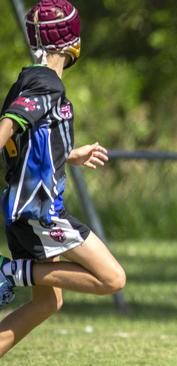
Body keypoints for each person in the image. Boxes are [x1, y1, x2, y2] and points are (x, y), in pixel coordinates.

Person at [0, 0, 126, 357]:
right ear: (72, 42)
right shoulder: (47, 85)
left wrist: (70, 154)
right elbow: (8, 126)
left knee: (47, 303)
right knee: (112, 279)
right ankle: (9, 271)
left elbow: (24, 142)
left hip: (22, 209)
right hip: (41, 211)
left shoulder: (28, 80)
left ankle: (15, 272)